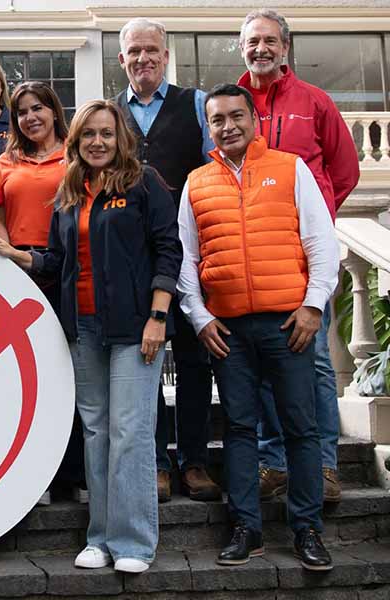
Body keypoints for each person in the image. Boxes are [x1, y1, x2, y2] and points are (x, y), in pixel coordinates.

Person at [0, 99, 182, 574]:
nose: (97, 142)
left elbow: (168, 250)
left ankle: (133, 542)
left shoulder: (143, 182)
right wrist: (19, 255)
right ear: (76, 141)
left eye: (106, 134)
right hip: (83, 327)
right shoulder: (71, 189)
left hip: (135, 327)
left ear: (121, 138)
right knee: (96, 431)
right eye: (88, 134)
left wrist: (158, 315)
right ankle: (100, 538)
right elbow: (59, 260)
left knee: (130, 432)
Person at [177, 83, 339, 570]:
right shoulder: (196, 182)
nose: (228, 126)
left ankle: (307, 528)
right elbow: (187, 258)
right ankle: (246, 527)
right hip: (226, 330)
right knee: (241, 430)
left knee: (300, 429)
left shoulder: (290, 170)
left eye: (236, 116)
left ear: (253, 120)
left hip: (288, 324)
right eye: (218, 119)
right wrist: (200, 316)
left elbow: (321, 241)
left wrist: (313, 306)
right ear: (209, 126)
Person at [236, 8, 360, 504]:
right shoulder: (234, 102)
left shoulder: (315, 101)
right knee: (265, 357)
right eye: (252, 41)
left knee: (317, 364)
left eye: (269, 40)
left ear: (285, 47)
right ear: (241, 48)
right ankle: (275, 464)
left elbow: (344, 171)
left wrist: (315, 217)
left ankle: (326, 467)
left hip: (306, 254)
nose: (261, 48)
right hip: (254, 254)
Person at [114, 17, 219, 504]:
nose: (144, 58)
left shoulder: (195, 105)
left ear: (165, 55)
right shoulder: (110, 114)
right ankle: (156, 461)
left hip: (193, 250)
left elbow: (214, 169)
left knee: (197, 357)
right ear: (122, 60)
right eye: (134, 51)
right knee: (146, 357)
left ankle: (194, 460)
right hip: (137, 257)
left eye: (152, 50)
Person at [0, 81, 79, 506]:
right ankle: (35, 474)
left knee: (71, 372)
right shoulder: (7, 161)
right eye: (23, 111)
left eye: (39, 107)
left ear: (54, 111)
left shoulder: (76, 153)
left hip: (67, 270)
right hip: (19, 271)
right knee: (30, 377)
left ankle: (75, 474)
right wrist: (9, 255)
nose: (31, 116)